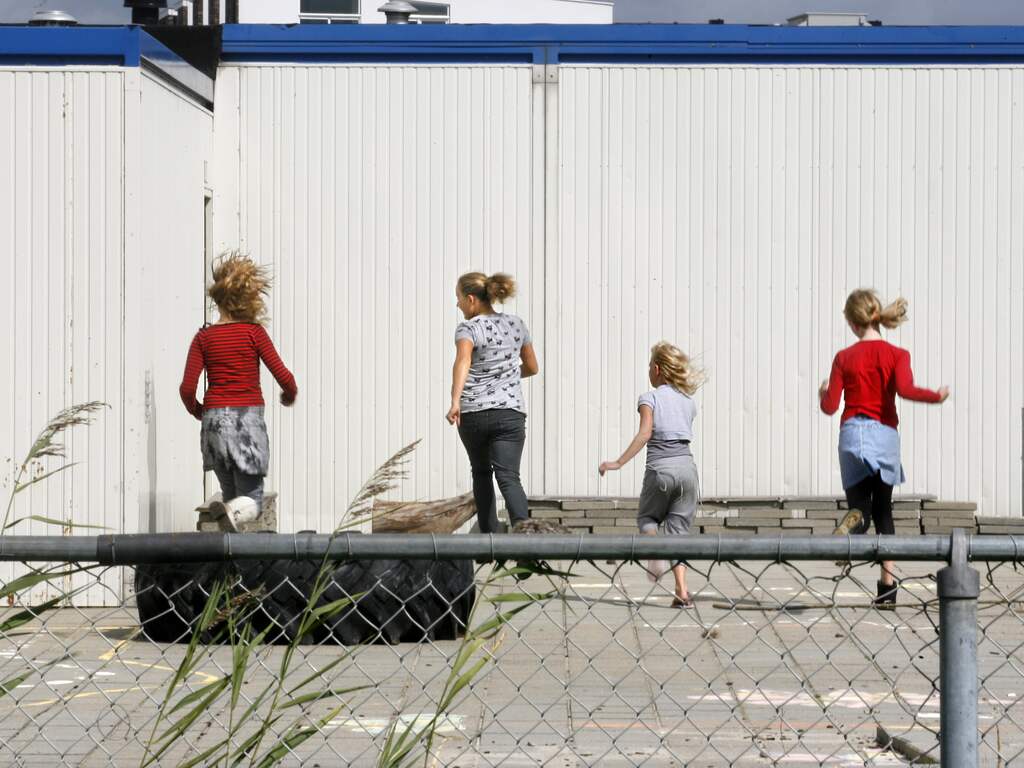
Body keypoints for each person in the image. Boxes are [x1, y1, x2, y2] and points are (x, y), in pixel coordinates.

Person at [819, 289, 949, 608]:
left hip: (852, 435)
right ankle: (887, 590)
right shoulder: (897, 355)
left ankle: (851, 534)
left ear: (852, 323)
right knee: (883, 510)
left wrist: (822, 392)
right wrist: (936, 396)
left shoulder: (843, 357)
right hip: (883, 436)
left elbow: (830, 406)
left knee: (860, 510)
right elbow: (905, 389)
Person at [179, 253, 298, 531]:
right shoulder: (253, 333)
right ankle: (232, 511)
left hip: (214, 425)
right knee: (251, 502)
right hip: (246, 423)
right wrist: (288, 395)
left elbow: (187, 388)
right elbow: (284, 377)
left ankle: (231, 550)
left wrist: (200, 411)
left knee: (231, 499)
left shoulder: (203, 337)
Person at [599, 342, 703, 608]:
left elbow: (645, 433)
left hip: (660, 469)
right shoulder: (689, 402)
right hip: (687, 470)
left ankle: (654, 552)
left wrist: (618, 462)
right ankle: (682, 592)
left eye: (649, 366)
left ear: (657, 369)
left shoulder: (650, 398)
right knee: (678, 532)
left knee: (648, 518)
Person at [446, 272, 539, 533]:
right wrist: (506, 375)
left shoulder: (468, 328)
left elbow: (463, 361)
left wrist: (455, 401)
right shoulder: (516, 324)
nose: (457, 304)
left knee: (481, 473)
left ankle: (488, 537)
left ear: (471, 299)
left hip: (474, 413)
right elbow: (532, 367)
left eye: (458, 298)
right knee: (509, 476)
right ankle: (525, 532)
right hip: (509, 413)